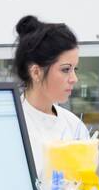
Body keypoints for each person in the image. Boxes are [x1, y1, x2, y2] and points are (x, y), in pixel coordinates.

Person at [14, 14, 89, 178]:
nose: (74, 79)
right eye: (65, 69)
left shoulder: (74, 126)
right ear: (36, 72)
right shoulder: (14, 128)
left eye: (75, 69)